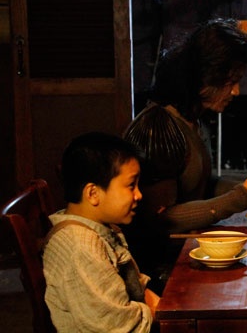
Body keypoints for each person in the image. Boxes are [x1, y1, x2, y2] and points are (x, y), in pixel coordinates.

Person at [123, 18, 247, 291]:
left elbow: (199, 185)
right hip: (159, 273)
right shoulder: (158, 128)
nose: (236, 91)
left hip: (186, 253)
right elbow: (160, 220)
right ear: (203, 79)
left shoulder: (190, 119)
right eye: (231, 82)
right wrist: (243, 197)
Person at [43, 132, 160, 333]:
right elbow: (117, 325)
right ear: (93, 193)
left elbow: (135, 286)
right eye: (131, 185)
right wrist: (158, 313)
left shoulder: (99, 228)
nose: (139, 195)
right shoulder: (81, 246)